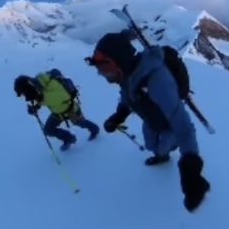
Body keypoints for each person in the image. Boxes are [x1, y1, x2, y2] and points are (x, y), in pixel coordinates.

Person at [87, 32, 211, 212]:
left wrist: (191, 172)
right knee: (150, 145)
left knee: (163, 147)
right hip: (150, 119)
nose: (101, 73)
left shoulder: (157, 81)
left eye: (105, 66)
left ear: (119, 61)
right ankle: (162, 154)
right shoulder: (126, 74)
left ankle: (169, 149)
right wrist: (119, 115)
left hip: (168, 125)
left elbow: (183, 125)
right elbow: (127, 94)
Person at [14, 71, 99, 151]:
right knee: (48, 130)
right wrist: (36, 107)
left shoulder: (52, 85)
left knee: (80, 123)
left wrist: (38, 103)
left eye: (24, 93)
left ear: (28, 88)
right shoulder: (38, 87)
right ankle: (68, 138)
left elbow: (60, 97)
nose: (25, 97)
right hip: (57, 112)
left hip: (71, 109)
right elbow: (42, 97)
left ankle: (94, 129)